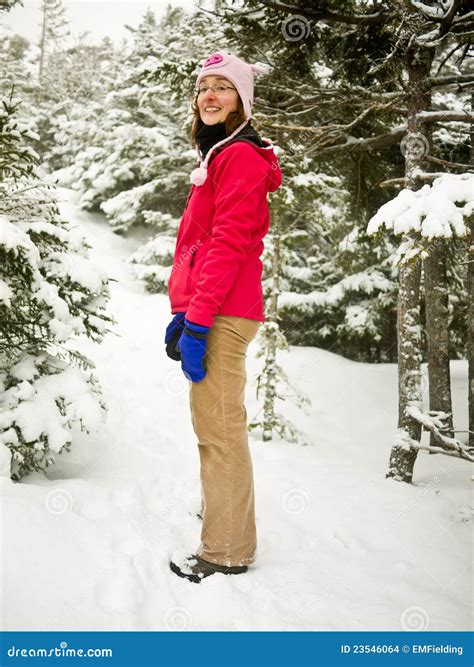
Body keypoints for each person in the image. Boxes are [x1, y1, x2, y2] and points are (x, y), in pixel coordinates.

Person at [165, 50, 282, 583]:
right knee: (214, 425)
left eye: (223, 87)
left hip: (226, 310)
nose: (209, 95)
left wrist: (200, 317)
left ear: (243, 101)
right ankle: (224, 512)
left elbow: (228, 242)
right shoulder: (219, 155)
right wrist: (182, 309)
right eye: (204, 86)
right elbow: (197, 242)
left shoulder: (240, 158)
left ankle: (228, 548)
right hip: (214, 306)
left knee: (220, 431)